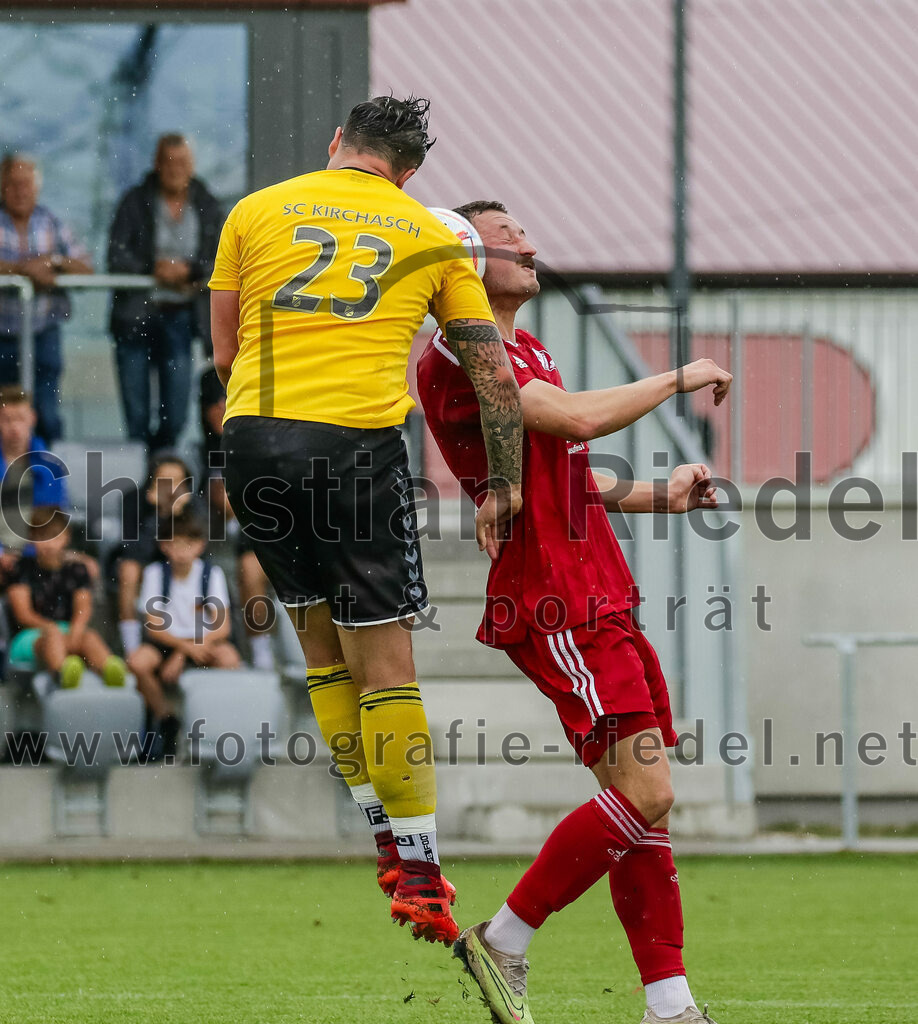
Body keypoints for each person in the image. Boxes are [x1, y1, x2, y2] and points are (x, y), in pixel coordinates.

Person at [210, 96, 524, 946]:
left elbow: (226, 353)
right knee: (385, 668)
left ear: (336, 143)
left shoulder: (255, 209)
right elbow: (489, 368)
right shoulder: (435, 231)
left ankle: (385, 839)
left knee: (323, 659)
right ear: (410, 170)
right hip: (354, 449)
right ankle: (420, 872)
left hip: (252, 444)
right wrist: (504, 484)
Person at [417, 201, 732, 1024]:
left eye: (524, 230)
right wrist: (681, 374)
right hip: (554, 594)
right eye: (505, 233)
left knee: (638, 799)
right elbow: (578, 418)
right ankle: (506, 937)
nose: (528, 241)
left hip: (597, 584)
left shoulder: (526, 348)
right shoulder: (461, 349)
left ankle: (669, 1005)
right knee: (648, 791)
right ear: (459, 257)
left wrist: (659, 496)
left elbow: (567, 470)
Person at [108, 133, 223, 451]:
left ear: (192, 166)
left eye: (182, 162)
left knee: (176, 412)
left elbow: (224, 257)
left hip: (182, 317)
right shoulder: (135, 201)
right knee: (136, 413)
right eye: (169, 162)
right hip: (135, 316)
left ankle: (164, 469)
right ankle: (141, 484)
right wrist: (153, 268)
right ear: (157, 165)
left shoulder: (206, 203)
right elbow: (116, 255)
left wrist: (189, 270)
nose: (175, 169)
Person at [128, 507, 238, 758]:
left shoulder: (212, 573)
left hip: (202, 641)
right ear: (164, 546)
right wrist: (183, 648)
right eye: (175, 544)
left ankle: (210, 723)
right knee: (137, 662)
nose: (182, 551)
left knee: (230, 660)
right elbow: (154, 625)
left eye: (189, 544)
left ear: (200, 545)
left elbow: (223, 627)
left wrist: (186, 649)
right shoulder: (155, 573)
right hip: (169, 642)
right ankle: (166, 718)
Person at [0, 153, 93, 443]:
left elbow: (86, 269)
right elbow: (25, 269)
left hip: (43, 332)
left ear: (36, 187)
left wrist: (53, 262)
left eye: (25, 184)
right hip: (2, 334)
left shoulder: (52, 222)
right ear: (2, 186)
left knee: (46, 413)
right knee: (6, 416)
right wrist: (23, 270)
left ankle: (46, 479)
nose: (20, 191)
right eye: (13, 184)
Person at [198, 366, 275, 670]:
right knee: (250, 569)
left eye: (225, 400)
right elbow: (226, 502)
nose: (220, 409)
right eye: (213, 404)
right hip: (253, 533)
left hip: (284, 527)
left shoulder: (263, 435)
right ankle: (261, 651)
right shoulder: (208, 450)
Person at [6, 507, 126, 689]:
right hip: (31, 636)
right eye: (41, 537)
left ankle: (109, 670)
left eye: (53, 536)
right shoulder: (21, 569)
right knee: (53, 637)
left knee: (89, 636)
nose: (48, 543)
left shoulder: (77, 570)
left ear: (66, 537)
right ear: (31, 538)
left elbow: (83, 608)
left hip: (67, 631)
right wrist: (51, 628)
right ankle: (62, 673)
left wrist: (75, 632)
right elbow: (23, 615)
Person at [109, 453, 203, 658]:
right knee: (128, 571)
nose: (170, 488)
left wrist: (179, 514)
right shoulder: (133, 499)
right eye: (163, 481)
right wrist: (160, 514)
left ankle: (194, 641)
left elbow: (200, 549)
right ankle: (131, 647)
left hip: (182, 562)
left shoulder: (195, 504)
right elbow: (134, 550)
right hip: (147, 561)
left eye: (177, 481)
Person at [0, 385, 69, 560]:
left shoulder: (51, 467)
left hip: (37, 556)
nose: (14, 427)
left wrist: (26, 556)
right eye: (7, 419)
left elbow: (50, 524)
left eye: (20, 419)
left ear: (32, 419)